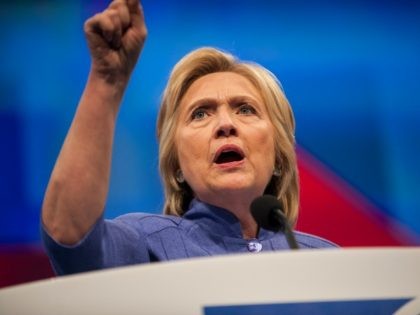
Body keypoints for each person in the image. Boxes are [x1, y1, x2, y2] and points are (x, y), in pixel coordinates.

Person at [41, 0, 337, 276]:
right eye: (200, 114)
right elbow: (69, 235)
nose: (225, 124)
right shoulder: (144, 244)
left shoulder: (327, 262)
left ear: (279, 159)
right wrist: (106, 82)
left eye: (245, 110)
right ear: (177, 167)